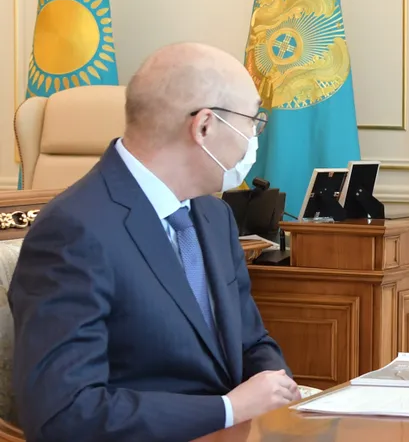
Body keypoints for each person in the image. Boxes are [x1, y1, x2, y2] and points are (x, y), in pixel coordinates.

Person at [9, 42, 300, 442]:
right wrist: (228, 409)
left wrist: (276, 387)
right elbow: (63, 411)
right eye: (253, 121)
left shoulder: (213, 215)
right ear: (204, 126)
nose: (254, 136)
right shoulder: (73, 230)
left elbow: (250, 341)